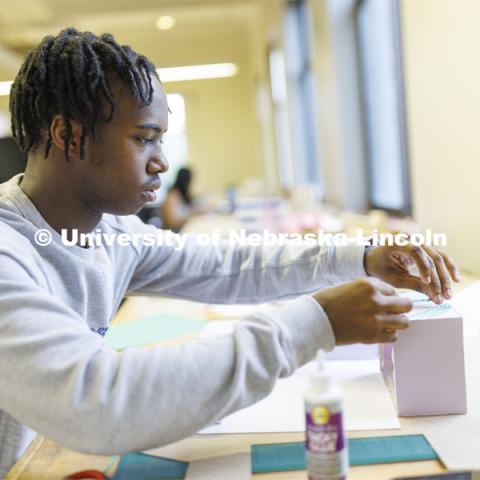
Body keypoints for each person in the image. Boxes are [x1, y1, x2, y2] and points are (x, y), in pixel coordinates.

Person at [0, 28, 459, 478]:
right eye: (144, 138)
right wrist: (315, 324)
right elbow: (95, 404)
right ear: (67, 134)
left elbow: (227, 266)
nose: (161, 160)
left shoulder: (113, 234)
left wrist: (363, 255)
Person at [161, 167, 198, 232]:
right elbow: (172, 222)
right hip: (174, 232)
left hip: (182, 229)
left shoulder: (181, 194)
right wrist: (193, 213)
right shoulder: (172, 195)